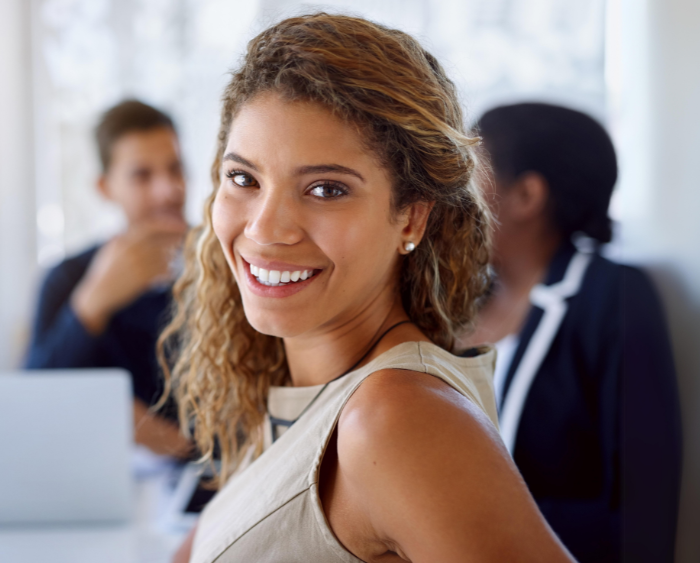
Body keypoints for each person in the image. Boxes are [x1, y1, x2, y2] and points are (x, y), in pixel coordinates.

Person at [161, 14, 575, 562]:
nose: (264, 228)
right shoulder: (313, 396)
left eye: (326, 189)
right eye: (244, 179)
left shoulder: (395, 419)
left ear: (410, 218)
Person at [464, 102, 682, 562]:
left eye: (468, 171)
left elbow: (642, 508)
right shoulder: (456, 301)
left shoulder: (615, 296)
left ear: (526, 196)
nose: (451, 190)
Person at [26, 100, 192, 458]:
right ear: (105, 187)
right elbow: (30, 402)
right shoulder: (67, 278)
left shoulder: (228, 267)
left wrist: (173, 443)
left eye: (175, 168)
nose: (168, 190)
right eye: (142, 176)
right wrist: (91, 304)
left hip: (206, 478)